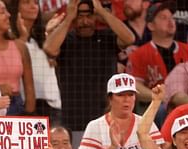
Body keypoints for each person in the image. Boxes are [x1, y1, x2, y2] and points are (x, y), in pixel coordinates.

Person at [43, 0, 135, 132]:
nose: (85, 21)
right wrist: (69, 17)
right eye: (80, 16)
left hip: (106, 116)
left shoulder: (107, 37)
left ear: (95, 16)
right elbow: (49, 49)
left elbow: (129, 38)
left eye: (89, 15)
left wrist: (102, 11)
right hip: (73, 116)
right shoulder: (66, 39)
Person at [78, 73, 165, 149]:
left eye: (130, 94)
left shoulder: (146, 124)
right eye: (120, 95)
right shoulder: (95, 126)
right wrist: (112, 147)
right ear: (110, 98)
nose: (126, 100)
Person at [126, 2, 188, 102]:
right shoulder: (139, 54)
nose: (170, 21)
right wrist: (161, 97)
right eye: (163, 18)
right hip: (157, 107)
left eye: (172, 17)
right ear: (151, 26)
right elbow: (135, 85)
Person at [13, 0, 62, 123]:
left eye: (35, 3)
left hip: (51, 103)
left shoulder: (42, 36)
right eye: (26, 2)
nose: (33, 6)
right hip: (25, 104)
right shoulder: (11, 39)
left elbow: (53, 55)